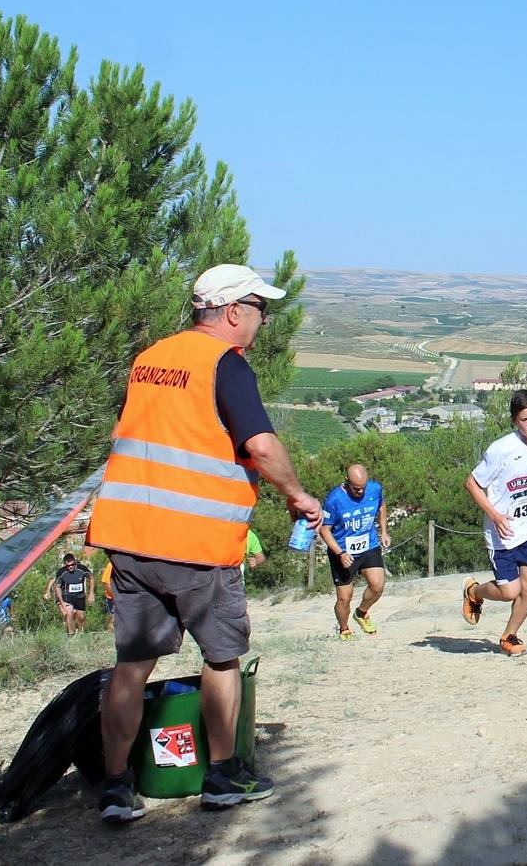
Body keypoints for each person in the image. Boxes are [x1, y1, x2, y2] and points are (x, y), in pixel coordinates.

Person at [86, 263, 321, 824]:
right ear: (234, 311)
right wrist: (297, 494)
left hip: (131, 539)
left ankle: (117, 786)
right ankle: (222, 776)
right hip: (196, 544)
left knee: (132, 666)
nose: (264, 320)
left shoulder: (150, 360)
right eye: (261, 309)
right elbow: (260, 446)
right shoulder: (226, 365)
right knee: (221, 658)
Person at [461, 390, 527, 657]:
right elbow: (472, 483)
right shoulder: (501, 449)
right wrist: (494, 515)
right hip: (502, 533)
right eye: (524, 419)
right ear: (514, 421)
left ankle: (509, 636)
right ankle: (474, 591)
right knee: (509, 591)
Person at [320, 465, 391, 640]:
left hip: (369, 545)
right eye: (356, 488)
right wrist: (340, 553)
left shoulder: (375, 488)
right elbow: (324, 530)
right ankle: (344, 629)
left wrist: (384, 531)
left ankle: (361, 613)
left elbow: (381, 506)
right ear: (346, 482)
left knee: (378, 586)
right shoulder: (334, 499)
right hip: (343, 551)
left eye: (363, 488)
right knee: (345, 597)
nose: (360, 492)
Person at [44, 553, 92, 635]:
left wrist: (90, 593)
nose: (70, 567)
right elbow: (53, 581)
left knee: (80, 617)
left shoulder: (81, 570)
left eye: (73, 564)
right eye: (68, 565)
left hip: (79, 596)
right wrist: (47, 592)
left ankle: (80, 632)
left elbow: (91, 578)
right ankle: (70, 634)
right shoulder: (62, 572)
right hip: (65, 595)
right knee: (69, 614)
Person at [99, 557, 116, 633]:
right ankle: (111, 637)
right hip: (113, 598)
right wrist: (116, 597)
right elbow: (106, 583)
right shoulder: (111, 565)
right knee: (113, 617)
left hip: (125, 597)